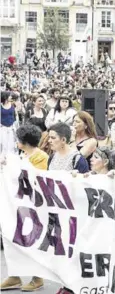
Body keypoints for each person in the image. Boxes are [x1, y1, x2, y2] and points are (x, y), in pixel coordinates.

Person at [0, 125, 48, 291]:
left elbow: (37, 177)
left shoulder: (41, 156)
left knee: (34, 240)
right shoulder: (22, 155)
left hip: (35, 206)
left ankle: (38, 277)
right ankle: (14, 275)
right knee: (12, 236)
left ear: (23, 142)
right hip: (18, 203)